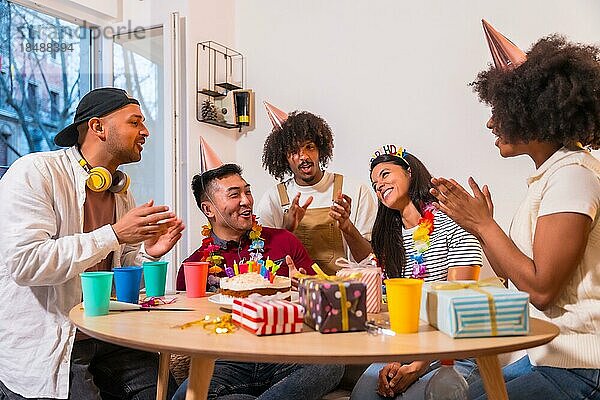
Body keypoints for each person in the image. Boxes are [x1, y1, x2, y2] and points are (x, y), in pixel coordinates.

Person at [430, 32, 600, 399]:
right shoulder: (552, 175)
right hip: (550, 357)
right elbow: (513, 274)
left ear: (532, 110)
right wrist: (478, 229)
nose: (491, 124)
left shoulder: (573, 176)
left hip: (583, 368)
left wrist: (484, 225)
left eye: (498, 111)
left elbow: (540, 289)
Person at [0, 87, 184, 399]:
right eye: (134, 122)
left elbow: (122, 269)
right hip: (55, 343)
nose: (145, 131)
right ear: (97, 127)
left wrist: (148, 255)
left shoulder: (119, 191)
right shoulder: (36, 172)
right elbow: (25, 264)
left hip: (109, 334)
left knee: (167, 392)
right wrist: (113, 234)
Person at [173, 163, 344, 400]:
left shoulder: (284, 240)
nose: (246, 201)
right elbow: (186, 328)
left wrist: (307, 288)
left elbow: (325, 308)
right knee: (184, 396)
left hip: (289, 353)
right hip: (228, 360)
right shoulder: (195, 265)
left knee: (332, 365)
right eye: (234, 194)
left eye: (248, 191)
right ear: (209, 209)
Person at [350, 145, 483, 400]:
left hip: (453, 353)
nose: (379, 185)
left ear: (409, 172)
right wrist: (396, 359)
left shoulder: (451, 221)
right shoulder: (389, 239)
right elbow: (393, 310)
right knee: (363, 395)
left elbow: (459, 303)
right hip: (406, 347)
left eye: (385, 174)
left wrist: (419, 365)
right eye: (375, 183)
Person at [257, 110, 377, 275]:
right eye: (293, 151)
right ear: (283, 157)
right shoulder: (274, 199)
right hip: (293, 295)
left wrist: (347, 226)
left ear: (320, 149)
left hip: (345, 293)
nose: (303, 156)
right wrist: (287, 230)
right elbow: (264, 265)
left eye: (309, 147)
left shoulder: (355, 191)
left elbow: (370, 261)